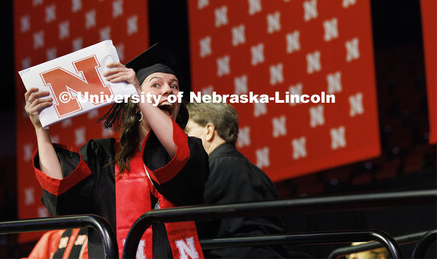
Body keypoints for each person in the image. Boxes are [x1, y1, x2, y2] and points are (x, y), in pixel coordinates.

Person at [24, 45, 209, 258]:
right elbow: (60, 189)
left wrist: (140, 93)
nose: (168, 90)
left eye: (174, 86)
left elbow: (180, 155)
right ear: (134, 104)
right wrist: (41, 127)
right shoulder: (102, 155)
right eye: (156, 84)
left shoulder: (192, 151)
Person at [186, 102, 288, 258]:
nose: (183, 139)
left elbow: (187, 222)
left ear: (209, 131)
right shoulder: (260, 174)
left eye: (188, 131)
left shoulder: (214, 167)